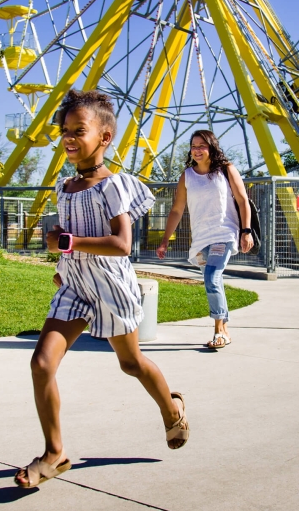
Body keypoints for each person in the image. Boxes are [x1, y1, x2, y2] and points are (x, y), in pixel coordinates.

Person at [14, 89, 189, 489]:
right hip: (75, 285)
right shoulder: (64, 187)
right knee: (41, 364)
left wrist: (70, 242)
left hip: (111, 286)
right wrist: (61, 252)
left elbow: (121, 244)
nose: (69, 137)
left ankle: (171, 408)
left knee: (131, 364)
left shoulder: (113, 186)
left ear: (105, 138)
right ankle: (54, 454)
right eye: (64, 130)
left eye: (79, 130)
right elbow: (65, 236)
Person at [156, 129, 254, 349]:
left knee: (211, 277)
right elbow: (176, 210)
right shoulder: (187, 175)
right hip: (200, 239)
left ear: (211, 147)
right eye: (193, 146)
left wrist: (245, 231)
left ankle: (219, 331)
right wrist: (164, 240)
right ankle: (226, 328)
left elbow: (242, 200)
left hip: (224, 233)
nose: (197, 150)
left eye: (202, 146)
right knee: (213, 281)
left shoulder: (226, 170)